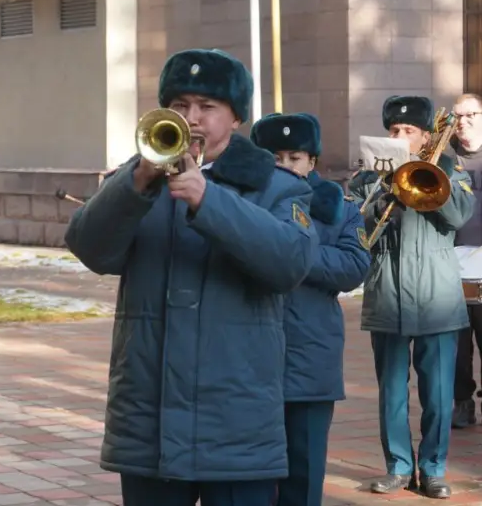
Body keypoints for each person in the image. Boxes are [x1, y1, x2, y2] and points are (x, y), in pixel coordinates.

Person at [64, 48, 319, 506]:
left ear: (236, 117)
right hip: (149, 420)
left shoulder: (278, 186)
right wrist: (135, 184)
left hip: (236, 425)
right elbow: (91, 248)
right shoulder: (136, 177)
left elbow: (290, 263)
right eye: (179, 106)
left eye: (207, 107)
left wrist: (209, 200)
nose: (192, 118)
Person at [348, 95, 475, 499]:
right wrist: (384, 192)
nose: (400, 137)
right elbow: (355, 227)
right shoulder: (368, 177)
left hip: (437, 297)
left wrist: (431, 169)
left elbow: (458, 217)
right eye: (394, 131)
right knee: (392, 394)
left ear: (425, 137)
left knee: (437, 395)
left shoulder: (451, 170)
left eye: (408, 132)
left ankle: (433, 468)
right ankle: (399, 467)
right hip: (387, 294)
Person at [250, 112, 371, 506]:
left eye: (294, 157)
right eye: (275, 157)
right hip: (248, 363)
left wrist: (293, 252)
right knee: (248, 479)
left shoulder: (338, 206)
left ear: (312, 162)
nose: (284, 166)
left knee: (303, 477)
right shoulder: (242, 203)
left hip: (310, 358)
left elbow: (354, 266)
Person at [450, 92, 482, 429]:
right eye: (458, 115)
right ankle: (462, 401)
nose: (464, 121)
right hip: (453, 265)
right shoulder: (445, 158)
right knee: (458, 343)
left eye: (471, 113)